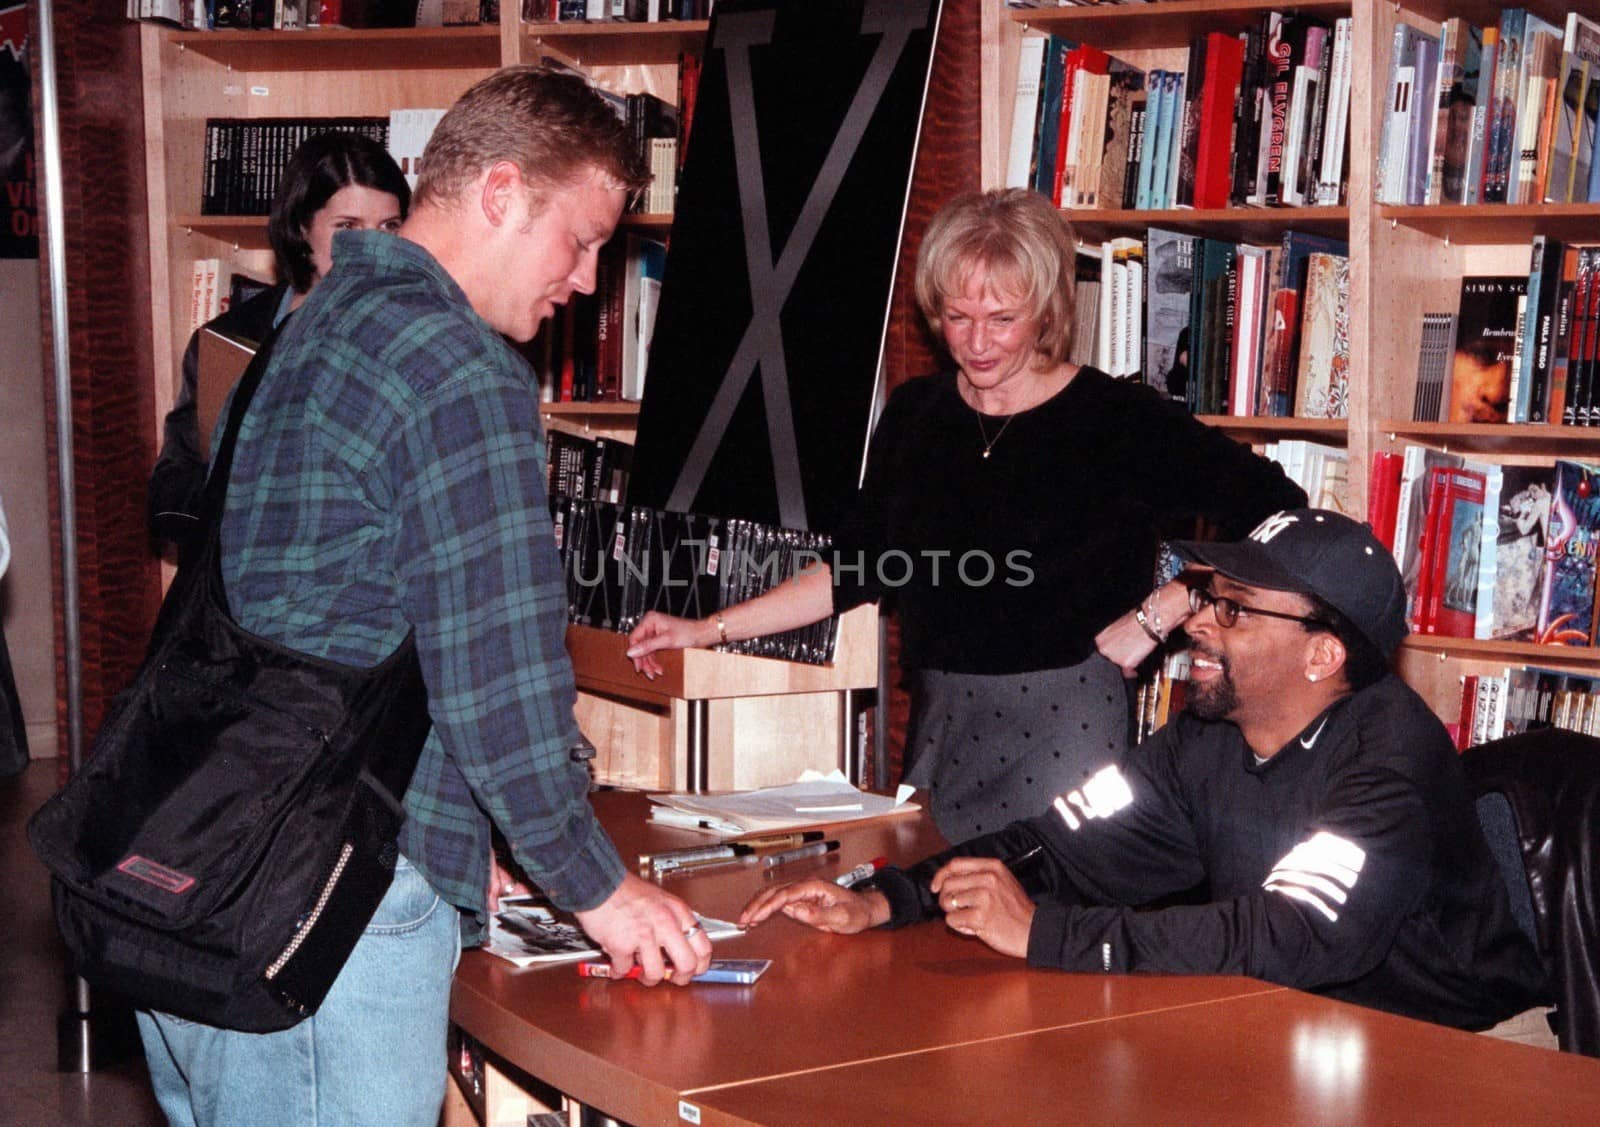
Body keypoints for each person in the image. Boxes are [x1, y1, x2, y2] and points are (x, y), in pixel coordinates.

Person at [135, 67, 713, 1126]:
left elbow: (329, 612)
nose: (586, 281)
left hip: (207, 857)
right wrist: (598, 886)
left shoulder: (316, 320)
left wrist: (459, 830)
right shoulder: (457, 366)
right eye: (579, 241)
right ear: (499, 192)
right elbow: (495, 674)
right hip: (324, 905)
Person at [626, 188, 1305, 842]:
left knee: (1037, 933)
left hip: (1068, 724)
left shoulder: (1115, 418)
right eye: (958, 316)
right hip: (942, 724)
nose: (977, 342)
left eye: (1002, 319)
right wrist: (706, 629)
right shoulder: (916, 415)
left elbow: (1281, 511)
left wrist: (1162, 611)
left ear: (1044, 312)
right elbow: (853, 571)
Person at [740, 509, 1550, 1032]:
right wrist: (891, 896)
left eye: (1230, 607)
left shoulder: (1390, 761)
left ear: (1323, 654)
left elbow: (1293, 934)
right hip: (1296, 1027)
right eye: (1205, 594)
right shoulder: (1206, 734)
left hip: (1454, 1052)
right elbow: (1057, 844)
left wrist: (1047, 933)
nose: (1196, 621)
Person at [147, 131, 411, 552]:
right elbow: (168, 497)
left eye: (389, 227)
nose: (372, 248)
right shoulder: (230, 339)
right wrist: (254, 482)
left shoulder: (423, 333)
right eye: (348, 227)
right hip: (249, 591)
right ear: (303, 227)